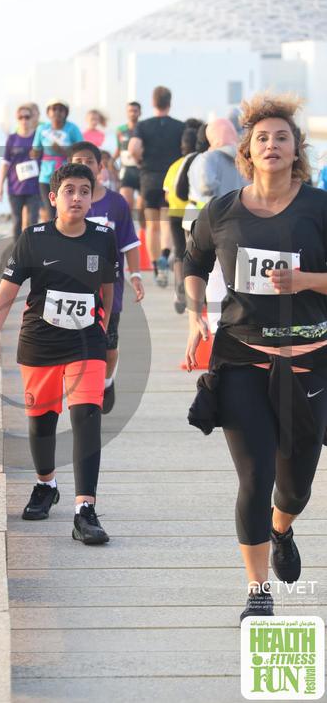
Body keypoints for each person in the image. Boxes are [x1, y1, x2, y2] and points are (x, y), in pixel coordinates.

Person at [184, 93, 327, 622]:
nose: (271, 144)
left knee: (295, 487)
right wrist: (195, 313)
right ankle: (257, 590)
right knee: (255, 476)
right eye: (262, 137)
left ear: (296, 149)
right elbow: (193, 259)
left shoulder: (319, 208)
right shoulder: (222, 211)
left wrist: (305, 280)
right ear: (246, 151)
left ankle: (281, 529)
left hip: (309, 360)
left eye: (282, 137)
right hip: (241, 357)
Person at [0, 162, 118, 545]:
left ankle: (85, 510)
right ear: (54, 198)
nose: (77, 197)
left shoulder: (103, 239)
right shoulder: (33, 239)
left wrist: (104, 328)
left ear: (92, 198)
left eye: (85, 191)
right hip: (40, 341)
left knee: (86, 416)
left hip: (86, 342)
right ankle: (46, 485)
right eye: (69, 190)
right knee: (42, 422)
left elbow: (108, 289)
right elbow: (7, 291)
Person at [70, 141, 144, 413]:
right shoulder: (68, 203)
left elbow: (129, 243)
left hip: (110, 290)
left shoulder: (116, 203)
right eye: (78, 161)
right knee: (78, 347)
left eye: (89, 161)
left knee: (109, 348)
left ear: (100, 166)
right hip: (74, 289)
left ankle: (107, 382)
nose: (84, 166)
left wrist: (135, 275)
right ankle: (84, 395)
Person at [187, 118, 247, 332]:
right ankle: (238, 317)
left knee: (214, 274)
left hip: (214, 221)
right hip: (243, 221)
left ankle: (216, 323)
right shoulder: (244, 158)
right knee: (238, 272)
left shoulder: (208, 157)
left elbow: (205, 186)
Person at [128, 86, 184, 287]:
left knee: (152, 225)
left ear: (153, 102)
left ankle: (155, 266)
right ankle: (165, 256)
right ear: (170, 102)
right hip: (172, 179)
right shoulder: (180, 126)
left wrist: (139, 160)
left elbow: (133, 147)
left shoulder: (143, 126)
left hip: (149, 177)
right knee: (166, 222)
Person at [162, 123, 200, 313]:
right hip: (193, 212)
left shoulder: (174, 165)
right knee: (193, 253)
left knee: (178, 251)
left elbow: (167, 194)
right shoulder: (200, 162)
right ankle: (194, 290)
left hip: (174, 212)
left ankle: (179, 290)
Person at [31, 100, 82, 222]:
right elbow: (35, 150)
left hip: (67, 176)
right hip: (45, 176)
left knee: (65, 210)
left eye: (61, 109)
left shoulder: (72, 128)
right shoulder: (42, 129)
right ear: (48, 112)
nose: (57, 112)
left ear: (66, 113)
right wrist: (34, 153)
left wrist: (63, 151)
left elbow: (81, 151)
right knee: (50, 211)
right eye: (54, 109)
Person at [0, 105, 41, 240]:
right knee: (17, 222)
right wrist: (0, 186)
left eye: (27, 117)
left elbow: (47, 158)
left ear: (32, 118)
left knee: (33, 222)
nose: (24, 120)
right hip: (15, 188)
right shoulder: (12, 139)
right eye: (20, 117)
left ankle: (32, 249)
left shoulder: (38, 137)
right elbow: (5, 163)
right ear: (17, 119)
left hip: (34, 187)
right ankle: (17, 249)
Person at [114, 102, 143, 214]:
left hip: (141, 170)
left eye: (135, 111)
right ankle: (127, 225)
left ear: (140, 112)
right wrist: (111, 161)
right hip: (126, 170)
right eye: (130, 111)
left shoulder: (144, 128)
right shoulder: (120, 130)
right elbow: (119, 149)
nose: (132, 113)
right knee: (126, 205)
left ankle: (141, 226)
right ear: (126, 113)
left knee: (141, 208)